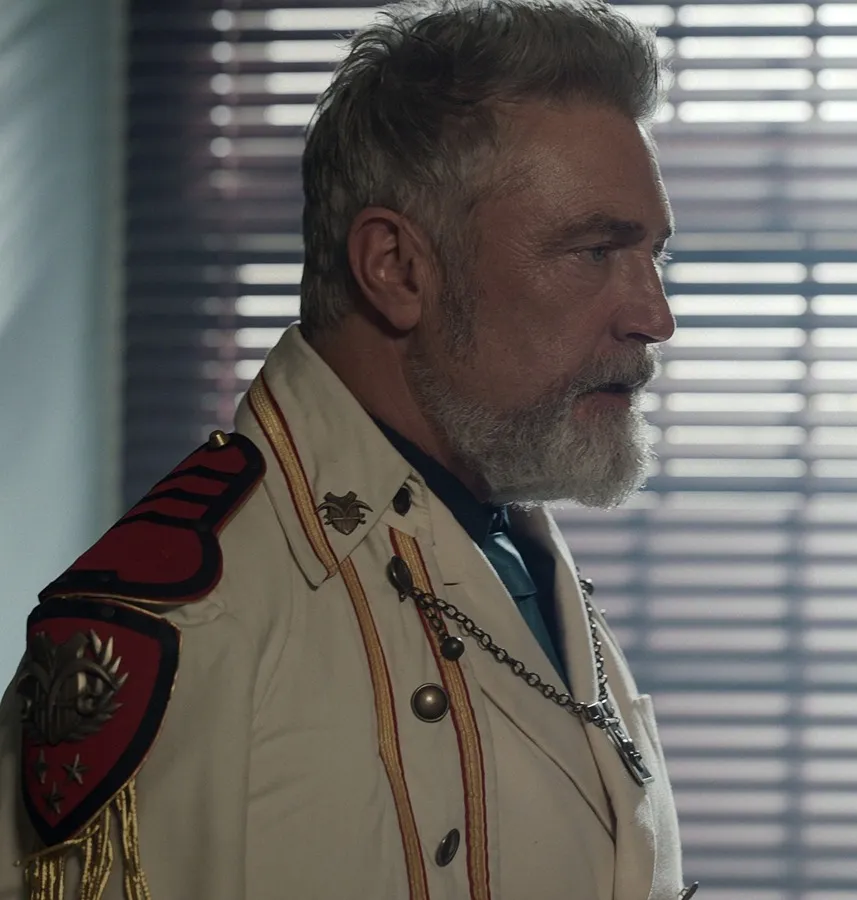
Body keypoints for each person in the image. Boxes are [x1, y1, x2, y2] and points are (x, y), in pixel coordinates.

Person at [0, 2, 695, 898]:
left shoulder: (505, 534)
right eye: (596, 250)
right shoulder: (185, 626)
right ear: (397, 268)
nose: (655, 316)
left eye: (652, 255)